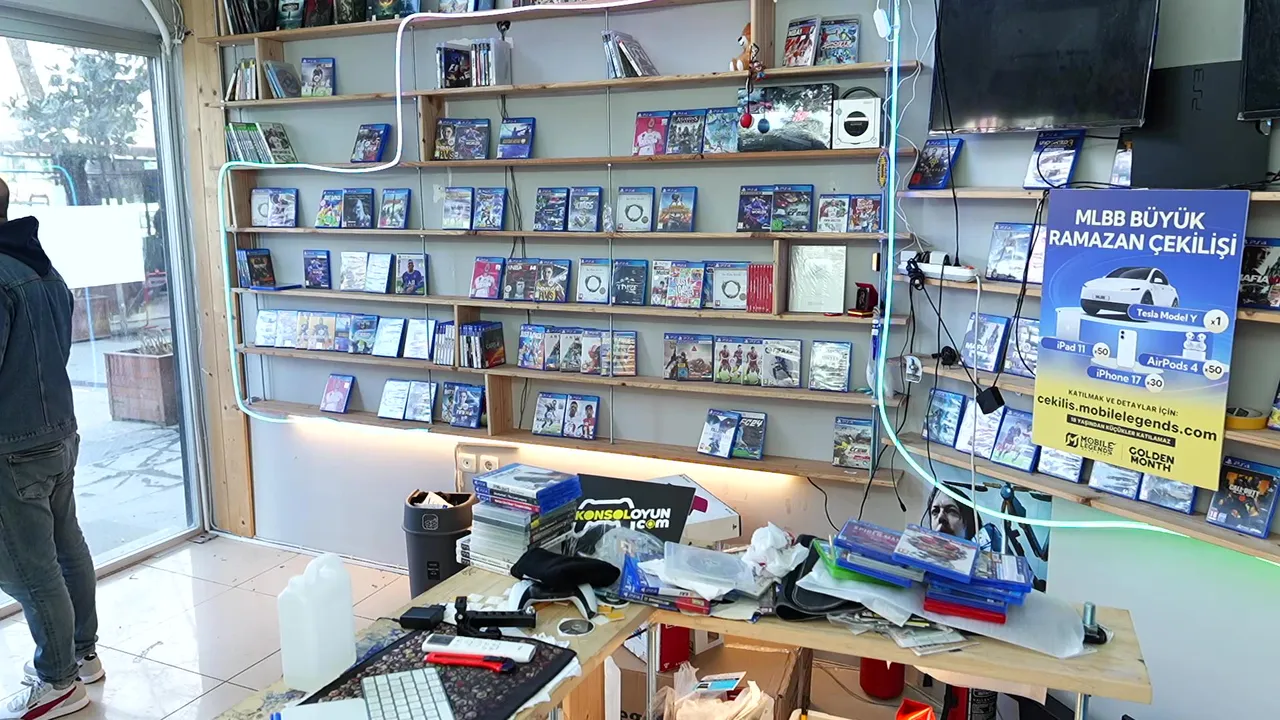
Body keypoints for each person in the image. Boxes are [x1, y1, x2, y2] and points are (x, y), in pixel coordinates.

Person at [0, 178, 102, 719]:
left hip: (10, 445)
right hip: (56, 431)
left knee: (28, 567)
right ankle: (82, 655)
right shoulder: (41, 267)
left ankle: (58, 681)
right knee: (66, 546)